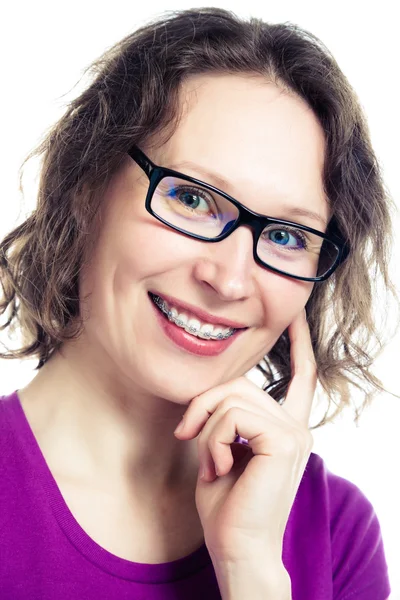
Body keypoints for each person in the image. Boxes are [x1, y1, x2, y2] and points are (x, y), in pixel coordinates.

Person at [0, 7, 397, 600]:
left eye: (287, 236)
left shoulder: (336, 530)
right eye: (191, 198)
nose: (231, 280)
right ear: (86, 186)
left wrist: (251, 568)